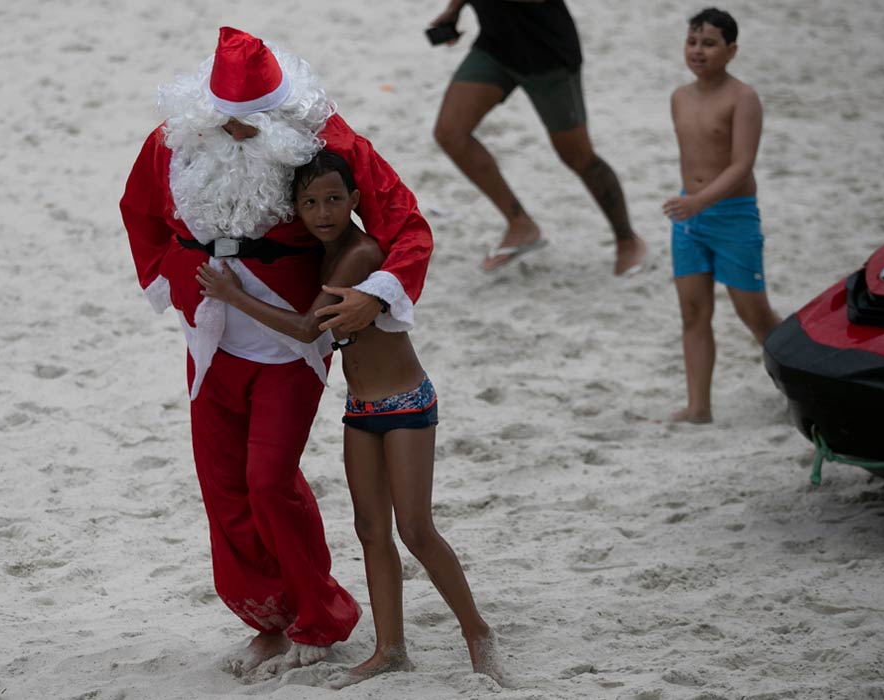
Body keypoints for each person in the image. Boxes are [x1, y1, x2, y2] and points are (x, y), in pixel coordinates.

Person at [119, 27, 433, 673]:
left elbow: (404, 223)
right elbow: (140, 212)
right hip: (207, 335)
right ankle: (270, 618)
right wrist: (168, 282)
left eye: (253, 122)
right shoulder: (173, 140)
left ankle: (320, 619)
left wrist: (374, 294)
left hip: (292, 342)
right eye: (228, 121)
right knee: (224, 491)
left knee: (268, 484)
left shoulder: (326, 142)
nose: (239, 133)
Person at [196, 150, 504, 687]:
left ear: (355, 201)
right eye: (310, 203)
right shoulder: (321, 253)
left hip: (406, 403)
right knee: (369, 531)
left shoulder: (358, 253)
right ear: (294, 208)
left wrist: (232, 294)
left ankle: (478, 633)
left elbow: (303, 329)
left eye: (335, 200)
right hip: (360, 409)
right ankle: (389, 650)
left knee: (415, 529)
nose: (322, 212)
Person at [429, 0, 647, 274]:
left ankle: (627, 239)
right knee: (451, 133)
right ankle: (520, 225)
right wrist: (454, 9)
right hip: (497, 46)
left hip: (547, 56)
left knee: (578, 157)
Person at [662, 8, 782, 423]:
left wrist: (700, 201)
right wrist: (690, 205)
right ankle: (698, 408)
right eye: (692, 42)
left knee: (756, 315)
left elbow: (740, 166)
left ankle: (805, 390)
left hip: (733, 217)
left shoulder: (742, 98)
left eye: (709, 44)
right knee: (694, 313)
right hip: (690, 220)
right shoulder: (679, 96)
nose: (698, 51)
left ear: (730, 51)